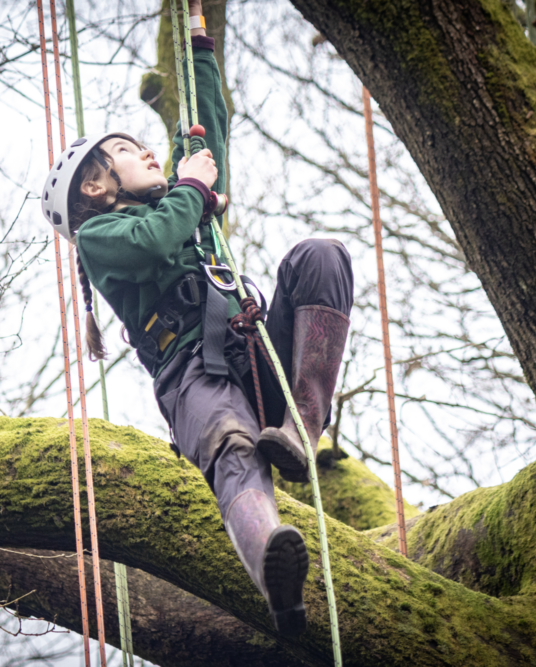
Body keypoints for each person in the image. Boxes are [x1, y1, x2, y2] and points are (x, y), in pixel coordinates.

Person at [40, 0, 352, 636]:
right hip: (193, 376)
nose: (150, 152)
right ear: (96, 189)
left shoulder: (186, 199)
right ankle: (272, 565)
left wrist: (199, 46)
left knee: (323, 257)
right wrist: (194, 189)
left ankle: (301, 428)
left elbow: (207, 132)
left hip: (251, 343)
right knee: (233, 450)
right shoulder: (103, 236)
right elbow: (155, 239)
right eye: (128, 150)